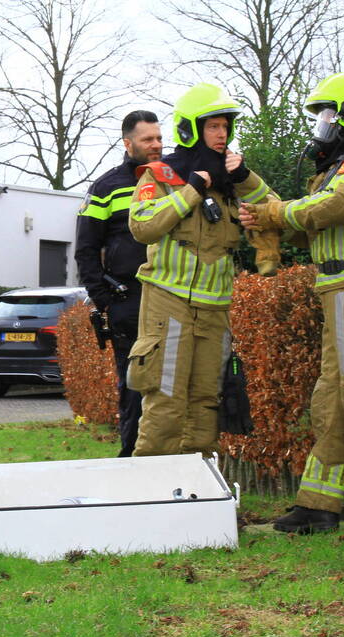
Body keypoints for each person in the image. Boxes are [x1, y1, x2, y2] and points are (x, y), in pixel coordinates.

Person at [240, 72, 344, 533]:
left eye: (328, 113)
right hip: (338, 286)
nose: (322, 123)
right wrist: (265, 219)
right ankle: (319, 505)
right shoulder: (339, 162)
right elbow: (311, 222)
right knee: (331, 399)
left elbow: (334, 207)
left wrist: (274, 212)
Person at [126, 83, 278, 457]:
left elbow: (277, 211)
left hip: (215, 309)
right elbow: (142, 226)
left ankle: (199, 494)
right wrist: (192, 191)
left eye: (225, 126)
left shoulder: (234, 181)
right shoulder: (161, 175)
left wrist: (246, 178)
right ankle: (150, 492)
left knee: (206, 403)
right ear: (192, 129)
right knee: (165, 399)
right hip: (168, 303)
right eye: (213, 126)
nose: (222, 134)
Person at [75, 110, 162, 457]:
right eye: (147, 140)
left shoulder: (175, 178)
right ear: (128, 143)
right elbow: (84, 250)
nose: (156, 145)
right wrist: (106, 300)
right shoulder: (105, 187)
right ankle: (132, 458)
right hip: (129, 300)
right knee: (134, 385)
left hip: (173, 297)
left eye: (158, 138)